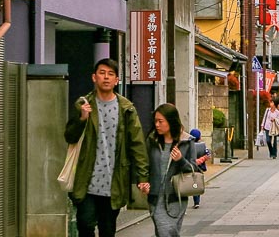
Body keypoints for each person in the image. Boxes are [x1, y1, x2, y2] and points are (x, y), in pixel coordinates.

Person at [64, 58, 150, 237]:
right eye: (102, 73)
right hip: (86, 179)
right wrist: (82, 119)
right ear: (94, 77)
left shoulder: (126, 109)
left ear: (117, 80)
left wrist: (142, 176)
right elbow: (69, 137)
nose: (106, 77)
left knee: (107, 229)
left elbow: (137, 144)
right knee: (85, 223)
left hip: (114, 181)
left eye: (111, 74)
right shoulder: (83, 105)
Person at [146, 103, 204, 237]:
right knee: (165, 232)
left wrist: (180, 159)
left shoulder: (186, 141)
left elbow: (193, 169)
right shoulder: (152, 140)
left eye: (160, 121)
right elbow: (145, 165)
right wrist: (142, 181)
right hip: (155, 197)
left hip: (176, 198)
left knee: (167, 232)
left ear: (171, 121)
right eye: (155, 121)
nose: (157, 125)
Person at [187, 128, 210, 209]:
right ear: (199, 137)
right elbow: (208, 154)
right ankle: (197, 201)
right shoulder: (202, 146)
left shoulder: (188, 146)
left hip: (190, 167)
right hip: (199, 168)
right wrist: (202, 159)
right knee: (196, 183)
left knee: (188, 183)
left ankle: (187, 200)